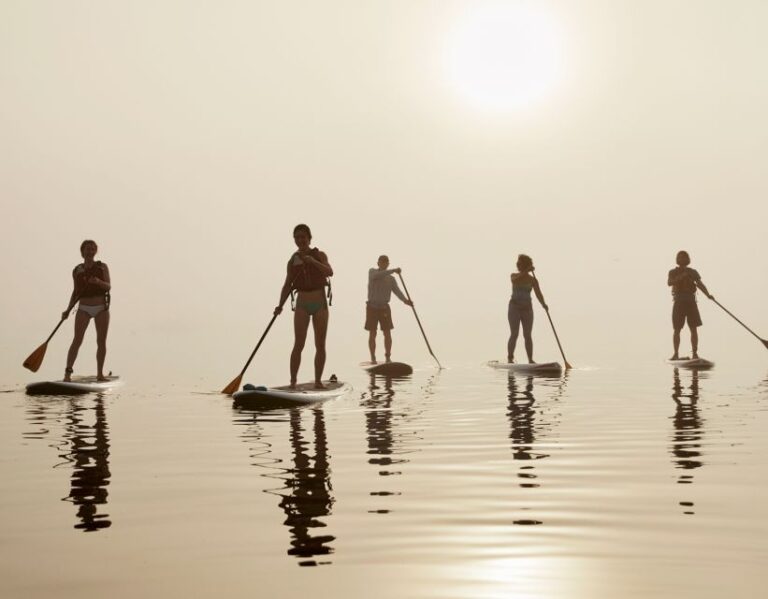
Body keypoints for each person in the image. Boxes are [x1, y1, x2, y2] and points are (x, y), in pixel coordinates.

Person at [275, 224, 333, 389]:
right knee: (298, 344)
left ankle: (317, 381)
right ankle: (293, 382)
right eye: (297, 237)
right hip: (302, 304)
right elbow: (287, 285)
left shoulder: (320, 255)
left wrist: (313, 261)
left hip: (319, 303)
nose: (300, 240)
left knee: (320, 344)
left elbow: (329, 272)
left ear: (309, 238)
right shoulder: (293, 260)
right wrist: (279, 305)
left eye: (303, 237)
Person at [62, 240, 111, 381]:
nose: (89, 252)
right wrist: (68, 310)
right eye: (86, 249)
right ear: (82, 252)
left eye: (92, 249)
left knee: (101, 341)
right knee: (77, 340)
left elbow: (108, 286)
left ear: (95, 251)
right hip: (83, 308)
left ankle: (100, 374)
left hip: (101, 308)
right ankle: (67, 375)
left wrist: (98, 282)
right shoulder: (77, 270)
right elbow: (75, 292)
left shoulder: (102, 267)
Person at [365, 255, 412, 363]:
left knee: (387, 332)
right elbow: (378, 275)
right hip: (372, 306)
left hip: (384, 307)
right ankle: (373, 358)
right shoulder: (372, 272)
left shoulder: (391, 279)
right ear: (378, 263)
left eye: (386, 263)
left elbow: (397, 292)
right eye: (382, 262)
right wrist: (393, 270)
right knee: (373, 333)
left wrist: (406, 301)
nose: (384, 264)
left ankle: (387, 357)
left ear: (388, 264)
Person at [668, 250, 713, 360]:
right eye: (680, 257)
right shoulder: (673, 272)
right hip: (679, 302)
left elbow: (700, 284)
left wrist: (708, 294)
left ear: (688, 259)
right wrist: (682, 276)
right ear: (677, 260)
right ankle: (675, 354)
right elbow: (670, 282)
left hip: (691, 302)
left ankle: (695, 353)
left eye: (684, 257)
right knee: (677, 329)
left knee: (693, 328)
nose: (682, 259)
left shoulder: (693, 272)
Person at [508, 254, 547, 364]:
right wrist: (526, 271)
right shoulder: (514, 275)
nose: (517, 264)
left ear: (524, 265)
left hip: (527, 309)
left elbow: (539, 294)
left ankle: (530, 360)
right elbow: (514, 281)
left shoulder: (533, 280)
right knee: (514, 333)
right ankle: (510, 358)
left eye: (520, 263)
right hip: (514, 307)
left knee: (527, 335)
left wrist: (544, 304)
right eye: (517, 263)